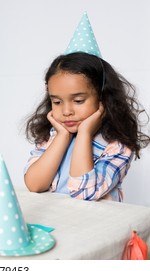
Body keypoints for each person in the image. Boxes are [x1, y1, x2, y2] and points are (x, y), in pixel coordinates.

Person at [24, 52, 150, 201]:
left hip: (95, 221)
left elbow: (85, 193)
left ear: (103, 98)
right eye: (57, 102)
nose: (66, 111)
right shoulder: (51, 136)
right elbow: (34, 185)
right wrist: (62, 137)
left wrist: (85, 134)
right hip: (57, 219)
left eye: (78, 101)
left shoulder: (117, 146)